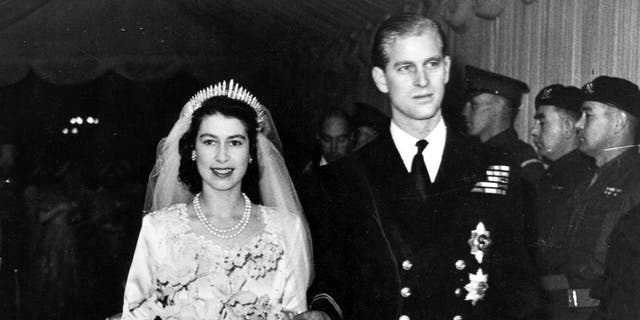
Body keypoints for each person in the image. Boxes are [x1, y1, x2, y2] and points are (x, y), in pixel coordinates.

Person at [303, 14, 541, 320]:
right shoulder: (343, 178)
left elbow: (520, 289)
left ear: (445, 69)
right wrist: (322, 312)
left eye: (431, 64)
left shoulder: (494, 168)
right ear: (380, 78)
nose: (422, 81)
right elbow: (332, 282)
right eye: (405, 68)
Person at [121, 80, 312, 319]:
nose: (222, 157)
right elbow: (135, 313)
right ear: (193, 149)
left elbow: (296, 313)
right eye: (210, 141)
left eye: (235, 142)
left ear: (251, 151)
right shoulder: (158, 229)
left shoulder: (286, 228)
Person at [550, 76, 640, 319]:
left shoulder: (635, 181)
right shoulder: (588, 180)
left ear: (619, 122)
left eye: (588, 115)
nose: (578, 124)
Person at [529, 84, 595, 273]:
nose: (533, 131)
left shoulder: (579, 177)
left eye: (542, 122)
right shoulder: (554, 174)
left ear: (567, 127)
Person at [462, 65, 545, 187]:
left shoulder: (520, 160)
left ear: (498, 108)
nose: (464, 112)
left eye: (474, 105)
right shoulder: (466, 154)